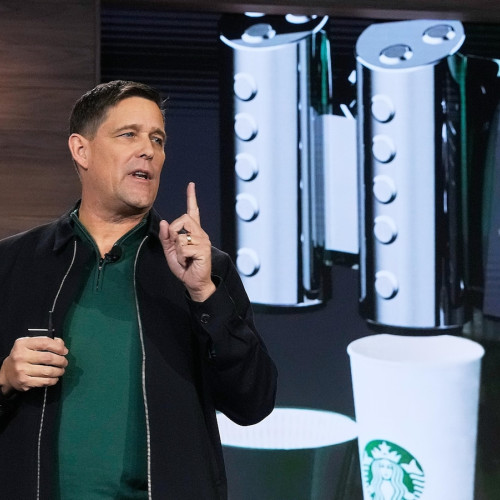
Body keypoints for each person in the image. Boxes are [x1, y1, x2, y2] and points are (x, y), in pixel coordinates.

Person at [0, 80, 277, 499]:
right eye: (128, 134)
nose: (148, 150)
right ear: (81, 150)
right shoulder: (14, 263)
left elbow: (253, 402)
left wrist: (205, 294)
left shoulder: (204, 270)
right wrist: (4, 377)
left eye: (157, 139)